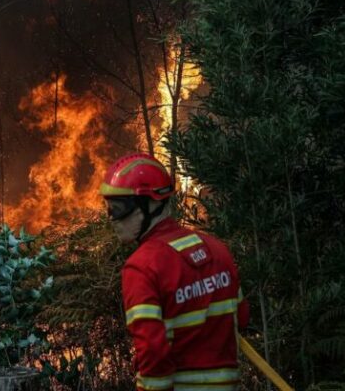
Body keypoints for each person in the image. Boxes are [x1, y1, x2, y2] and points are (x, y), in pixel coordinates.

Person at [101, 153, 249, 391]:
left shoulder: (142, 268)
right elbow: (241, 317)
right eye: (107, 207)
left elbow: (153, 357)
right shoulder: (217, 249)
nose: (111, 218)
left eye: (118, 208)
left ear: (150, 205)